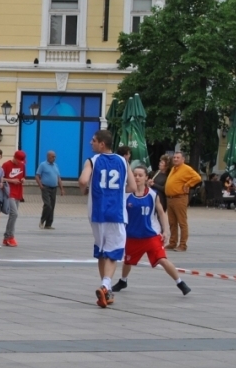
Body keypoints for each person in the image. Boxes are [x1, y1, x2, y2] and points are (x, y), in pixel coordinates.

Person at [111, 167, 192, 296]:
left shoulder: (153, 194)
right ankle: (123, 280)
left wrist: (166, 231)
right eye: (135, 175)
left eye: (140, 175)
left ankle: (180, 283)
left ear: (146, 178)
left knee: (162, 259)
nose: (137, 177)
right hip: (132, 235)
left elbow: (161, 212)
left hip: (151, 235)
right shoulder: (125, 194)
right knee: (128, 261)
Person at [79, 129, 136, 308]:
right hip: (116, 213)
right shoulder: (123, 161)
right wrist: (118, 191)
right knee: (113, 251)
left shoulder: (92, 161)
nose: (91, 143)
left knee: (102, 250)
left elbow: (82, 180)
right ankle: (105, 285)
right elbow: (133, 187)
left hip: (96, 213)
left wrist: (85, 190)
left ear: (102, 144)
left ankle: (107, 290)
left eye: (94, 140)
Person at [165, 151, 201, 251]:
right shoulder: (173, 168)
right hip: (170, 199)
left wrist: (188, 184)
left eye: (178, 158)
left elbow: (197, 178)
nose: (175, 159)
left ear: (183, 159)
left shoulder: (186, 168)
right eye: (174, 157)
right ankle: (172, 242)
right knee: (172, 222)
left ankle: (183, 244)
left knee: (182, 222)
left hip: (179, 198)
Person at [0, 150, 26, 247]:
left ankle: (7, 238)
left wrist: (23, 179)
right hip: (9, 193)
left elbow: (23, 176)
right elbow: (1, 178)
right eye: (18, 160)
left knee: (13, 216)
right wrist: (11, 180)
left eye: (21, 161)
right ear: (14, 157)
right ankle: (10, 236)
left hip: (18, 193)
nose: (20, 163)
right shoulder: (6, 165)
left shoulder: (22, 165)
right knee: (14, 214)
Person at [35, 150, 64, 230]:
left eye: (55, 157)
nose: (54, 158)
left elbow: (58, 178)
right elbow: (37, 176)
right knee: (48, 205)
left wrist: (61, 189)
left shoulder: (56, 166)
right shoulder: (43, 165)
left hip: (54, 188)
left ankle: (48, 224)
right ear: (48, 156)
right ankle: (42, 220)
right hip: (45, 187)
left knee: (52, 206)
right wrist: (40, 185)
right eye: (52, 156)